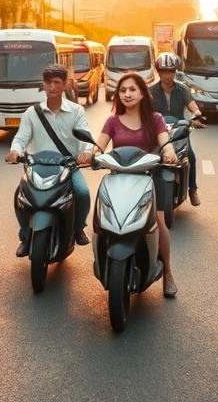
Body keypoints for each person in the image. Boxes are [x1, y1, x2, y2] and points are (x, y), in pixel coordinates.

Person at [95, 72, 180, 298]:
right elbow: (98, 146)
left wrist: (170, 152)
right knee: (103, 218)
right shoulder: (112, 121)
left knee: (160, 222)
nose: (127, 94)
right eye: (122, 90)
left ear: (142, 93)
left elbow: (165, 142)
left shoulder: (156, 119)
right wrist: (89, 154)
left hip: (152, 177)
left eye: (132, 89)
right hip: (119, 179)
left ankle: (168, 273)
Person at [6, 63, 95, 253]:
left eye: (57, 82)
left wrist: (86, 153)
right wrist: (15, 151)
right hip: (36, 167)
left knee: (82, 193)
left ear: (65, 85)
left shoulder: (76, 111)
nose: (52, 87)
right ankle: (24, 234)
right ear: (43, 84)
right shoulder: (32, 113)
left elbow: (85, 138)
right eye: (48, 82)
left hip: (67, 167)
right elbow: (20, 138)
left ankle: (78, 228)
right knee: (19, 196)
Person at [148, 52, 203, 207]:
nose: (168, 75)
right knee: (149, 157)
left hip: (179, 130)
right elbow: (145, 111)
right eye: (164, 71)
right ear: (158, 71)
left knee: (190, 155)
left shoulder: (183, 89)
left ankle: (193, 190)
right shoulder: (150, 91)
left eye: (171, 71)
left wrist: (197, 115)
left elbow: (193, 107)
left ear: (175, 71)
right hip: (158, 132)